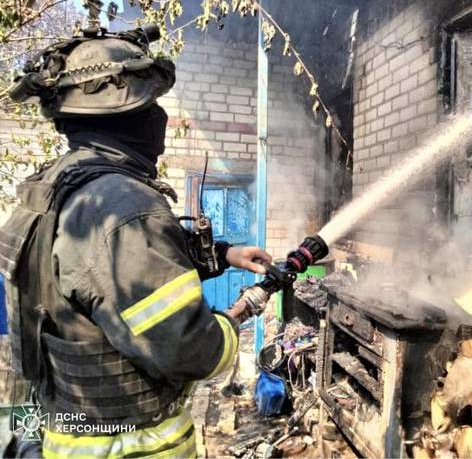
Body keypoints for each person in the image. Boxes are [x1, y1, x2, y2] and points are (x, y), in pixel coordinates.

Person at [0, 25, 270, 458]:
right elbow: (188, 351)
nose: (160, 118)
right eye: (152, 106)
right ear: (127, 117)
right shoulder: (123, 207)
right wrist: (233, 324)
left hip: (71, 430)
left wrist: (222, 254)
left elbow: (100, 271)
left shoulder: (55, 186)